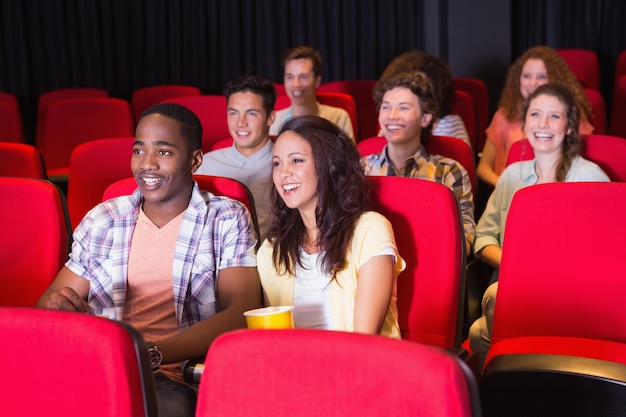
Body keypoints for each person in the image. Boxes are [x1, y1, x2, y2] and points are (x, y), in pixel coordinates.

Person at [37, 103, 262, 417]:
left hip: (174, 375)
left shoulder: (225, 217)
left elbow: (241, 311)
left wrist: (150, 353)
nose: (147, 165)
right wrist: (58, 305)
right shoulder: (103, 219)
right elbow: (49, 299)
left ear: (195, 160)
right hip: (101, 367)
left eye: (164, 152)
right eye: (139, 151)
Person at [469, 84, 610, 368]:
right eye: (535, 114)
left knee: (495, 304)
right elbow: (482, 239)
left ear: (570, 126)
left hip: (571, 289)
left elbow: (603, 254)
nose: (543, 124)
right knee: (478, 331)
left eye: (554, 117)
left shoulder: (591, 177)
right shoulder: (511, 175)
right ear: (524, 124)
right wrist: (516, 268)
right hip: (514, 285)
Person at [258, 115, 405, 337]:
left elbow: (365, 339)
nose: (283, 173)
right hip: (296, 367)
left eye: (296, 160)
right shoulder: (271, 250)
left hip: (362, 366)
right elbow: (275, 340)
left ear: (328, 164)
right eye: (277, 163)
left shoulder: (370, 230)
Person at [362, 71, 475, 254]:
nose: (392, 115)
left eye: (404, 108)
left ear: (425, 118)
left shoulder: (449, 172)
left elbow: (465, 238)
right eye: (385, 107)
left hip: (432, 262)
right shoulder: (361, 169)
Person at [477, 45, 595, 188]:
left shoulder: (570, 116)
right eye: (526, 76)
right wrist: (507, 188)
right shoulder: (503, 115)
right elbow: (483, 167)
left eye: (541, 77)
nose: (533, 83)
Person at [196, 74, 276, 240]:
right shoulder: (206, 166)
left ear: (270, 118)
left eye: (251, 114)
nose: (240, 123)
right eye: (233, 113)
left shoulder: (288, 165)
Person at [378, 49, 471, 148]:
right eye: (386, 107)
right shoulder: (391, 123)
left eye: (419, 87)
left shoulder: (451, 123)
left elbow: (464, 160)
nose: (392, 116)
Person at [269, 45, 355, 141]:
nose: (296, 84)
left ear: (317, 81)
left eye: (303, 77)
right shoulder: (274, 121)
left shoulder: (339, 118)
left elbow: (348, 155)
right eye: (290, 77)